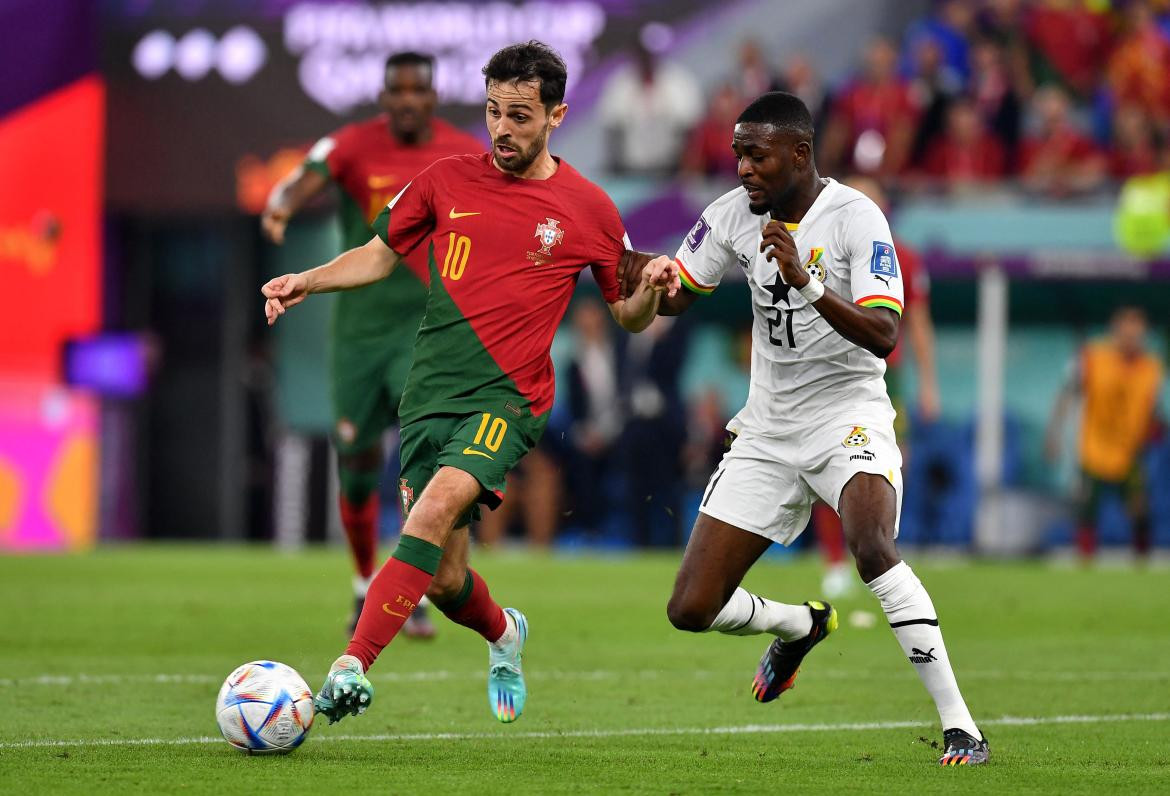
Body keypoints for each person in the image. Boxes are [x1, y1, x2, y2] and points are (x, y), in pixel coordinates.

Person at [262, 41, 679, 726]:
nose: (502, 128)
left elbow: (627, 317)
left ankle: (350, 667)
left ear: (556, 115)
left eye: (519, 114)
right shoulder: (444, 179)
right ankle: (503, 633)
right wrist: (305, 280)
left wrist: (651, 293)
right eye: (492, 111)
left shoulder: (590, 208)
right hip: (429, 399)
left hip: (507, 402)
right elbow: (376, 255)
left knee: (424, 517)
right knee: (447, 577)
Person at [619, 92, 987, 766]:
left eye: (756, 156)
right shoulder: (731, 215)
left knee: (871, 545)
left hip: (848, 412)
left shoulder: (856, 217)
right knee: (690, 608)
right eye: (737, 155)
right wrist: (644, 277)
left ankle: (961, 724)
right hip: (767, 428)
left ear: (799, 152)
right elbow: (673, 297)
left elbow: (885, 334)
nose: (743, 170)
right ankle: (799, 626)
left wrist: (808, 282)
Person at [261, 52, 483, 639]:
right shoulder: (351, 146)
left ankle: (413, 589)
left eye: (419, 90)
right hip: (359, 334)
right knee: (356, 464)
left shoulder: (462, 152)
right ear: (384, 97)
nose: (409, 100)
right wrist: (281, 204)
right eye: (398, 90)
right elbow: (301, 177)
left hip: (426, 329)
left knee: (426, 463)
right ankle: (365, 584)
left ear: (433, 97)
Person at [814, 174, 942, 599]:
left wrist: (928, 384)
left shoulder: (901, 257)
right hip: (829, 373)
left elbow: (918, 323)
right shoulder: (818, 251)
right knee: (824, 468)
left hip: (887, 377)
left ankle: (881, 558)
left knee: (886, 468)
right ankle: (834, 561)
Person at [1046, 306, 1163, 562]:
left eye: (1137, 333)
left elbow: (1151, 409)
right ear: (1115, 330)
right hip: (1094, 449)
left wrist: (1155, 430)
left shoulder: (1152, 367)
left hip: (1129, 452)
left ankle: (1142, 564)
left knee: (1140, 509)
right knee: (1087, 510)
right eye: (1126, 331)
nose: (1131, 338)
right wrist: (1053, 434)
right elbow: (1066, 394)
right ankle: (1085, 562)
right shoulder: (1093, 358)